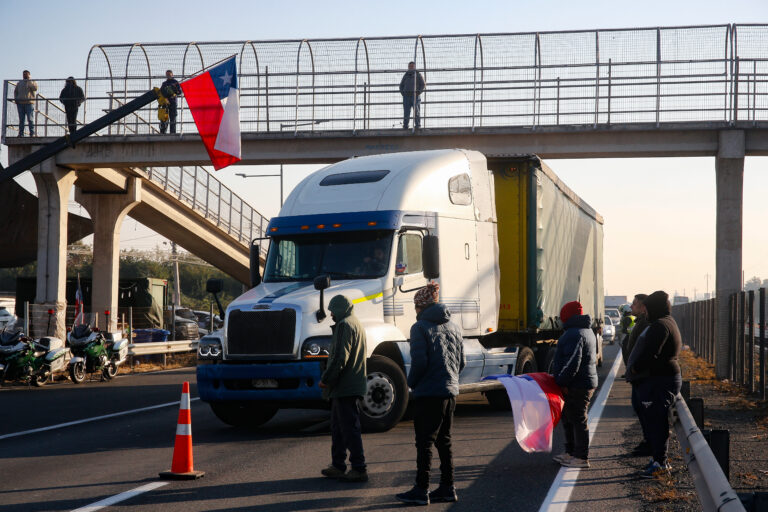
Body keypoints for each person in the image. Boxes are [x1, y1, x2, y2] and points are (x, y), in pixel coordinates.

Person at [396, 283, 465, 506]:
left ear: (421, 306)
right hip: (450, 392)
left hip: (429, 393)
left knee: (425, 442)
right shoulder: (454, 327)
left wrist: (411, 383)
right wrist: (450, 379)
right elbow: (462, 362)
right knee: (444, 441)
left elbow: (420, 361)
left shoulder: (420, 328)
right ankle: (448, 486)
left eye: (416, 306)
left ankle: (421, 489)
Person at [627, 290, 682, 478]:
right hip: (662, 378)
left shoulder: (660, 326)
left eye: (648, 309)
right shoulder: (667, 322)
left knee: (657, 422)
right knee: (655, 421)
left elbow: (651, 353)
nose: (646, 312)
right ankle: (658, 459)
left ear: (654, 309)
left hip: (660, 380)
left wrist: (636, 368)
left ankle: (660, 462)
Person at [319, 294, 369, 482]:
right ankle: (338, 465)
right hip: (351, 384)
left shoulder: (344, 325)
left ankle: (358, 467)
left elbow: (340, 357)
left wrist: (326, 379)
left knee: (348, 428)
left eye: (332, 309)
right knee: (339, 427)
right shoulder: (355, 323)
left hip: (344, 386)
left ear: (340, 309)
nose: (331, 313)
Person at [550, 301, 598, 469]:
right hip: (583, 382)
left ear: (567, 316)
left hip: (577, 385)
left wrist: (561, 381)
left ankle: (581, 456)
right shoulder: (586, 331)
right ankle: (570, 452)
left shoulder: (574, 334)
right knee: (569, 418)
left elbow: (572, 363)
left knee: (577, 419)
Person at [624, 294, 652, 457]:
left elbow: (644, 350)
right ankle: (647, 440)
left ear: (643, 307)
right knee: (638, 407)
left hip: (641, 375)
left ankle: (649, 442)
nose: (631, 307)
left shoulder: (645, 324)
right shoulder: (639, 323)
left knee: (643, 409)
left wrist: (635, 368)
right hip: (637, 375)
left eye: (634, 304)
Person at [399, 61, 425, 130]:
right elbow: (401, 85)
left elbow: (423, 84)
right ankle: (405, 125)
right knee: (406, 112)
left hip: (415, 95)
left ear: (415, 67)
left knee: (416, 111)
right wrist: (403, 93)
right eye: (410, 66)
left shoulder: (418, 74)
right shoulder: (406, 75)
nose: (411, 68)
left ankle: (417, 125)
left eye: (412, 66)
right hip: (406, 96)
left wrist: (418, 92)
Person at [14, 70, 38, 137]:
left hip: (29, 103)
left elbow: (35, 88)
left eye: (26, 74)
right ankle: (21, 134)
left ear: (29, 75)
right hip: (20, 103)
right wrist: (16, 99)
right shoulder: (19, 83)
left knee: (30, 119)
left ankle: (32, 133)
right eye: (24, 74)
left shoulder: (32, 82)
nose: (24, 75)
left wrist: (29, 81)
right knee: (21, 120)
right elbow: (15, 91)